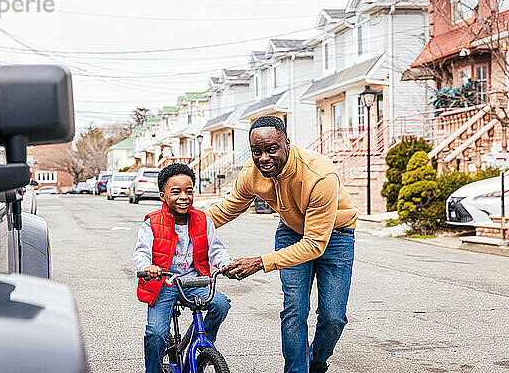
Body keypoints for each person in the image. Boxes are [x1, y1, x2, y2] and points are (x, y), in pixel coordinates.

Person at [209, 116, 358, 373]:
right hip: (291, 231)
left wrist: (260, 263)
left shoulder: (319, 174)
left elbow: (314, 244)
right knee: (294, 311)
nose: (263, 158)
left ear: (287, 143)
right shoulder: (252, 174)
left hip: (335, 236)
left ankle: (316, 362)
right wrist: (183, 226)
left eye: (271, 149)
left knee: (333, 318)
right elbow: (227, 209)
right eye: (257, 151)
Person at [133, 163, 232, 373]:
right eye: (176, 192)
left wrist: (226, 264)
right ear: (163, 196)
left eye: (189, 191)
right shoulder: (152, 223)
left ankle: (201, 347)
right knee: (156, 333)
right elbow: (141, 252)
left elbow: (216, 250)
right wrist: (148, 267)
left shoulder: (203, 221)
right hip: (163, 284)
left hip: (194, 281)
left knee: (221, 304)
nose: (183, 196)